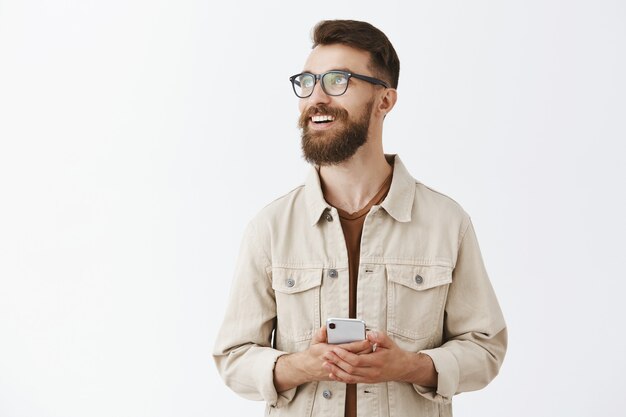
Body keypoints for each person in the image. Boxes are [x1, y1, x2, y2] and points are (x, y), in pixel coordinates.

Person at [213, 19, 507, 417]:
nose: (316, 98)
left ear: (384, 101)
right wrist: (300, 366)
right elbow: (232, 357)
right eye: (308, 82)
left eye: (337, 81)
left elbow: (486, 347)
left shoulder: (446, 222)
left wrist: (411, 366)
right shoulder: (270, 227)